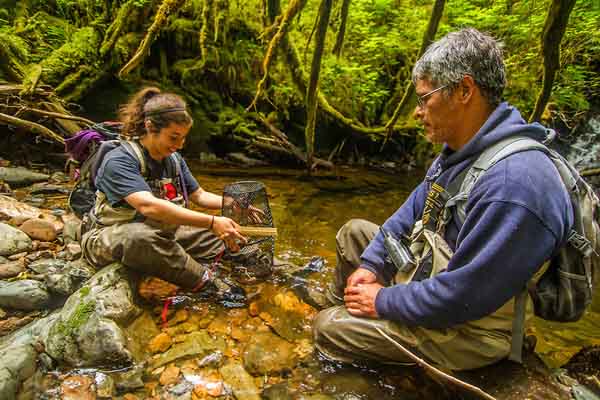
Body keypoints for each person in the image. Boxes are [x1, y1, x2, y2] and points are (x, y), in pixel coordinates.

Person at [312, 28, 573, 371]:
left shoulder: (516, 186)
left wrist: (382, 300)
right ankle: (344, 307)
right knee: (355, 233)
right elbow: (409, 215)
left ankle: (345, 326)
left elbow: (462, 298)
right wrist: (372, 266)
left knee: (328, 329)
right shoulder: (459, 151)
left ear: (465, 90)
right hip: (434, 279)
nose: (417, 112)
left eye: (424, 99)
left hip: (469, 327)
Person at [81, 87, 247, 291]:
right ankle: (208, 283)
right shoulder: (118, 160)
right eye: (173, 137)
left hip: (163, 232)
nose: (179, 145)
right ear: (150, 127)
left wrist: (233, 204)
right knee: (140, 239)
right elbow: (148, 207)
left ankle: (273, 270)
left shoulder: (174, 159)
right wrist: (212, 221)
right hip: (110, 237)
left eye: (184, 138)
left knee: (229, 235)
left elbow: (200, 196)